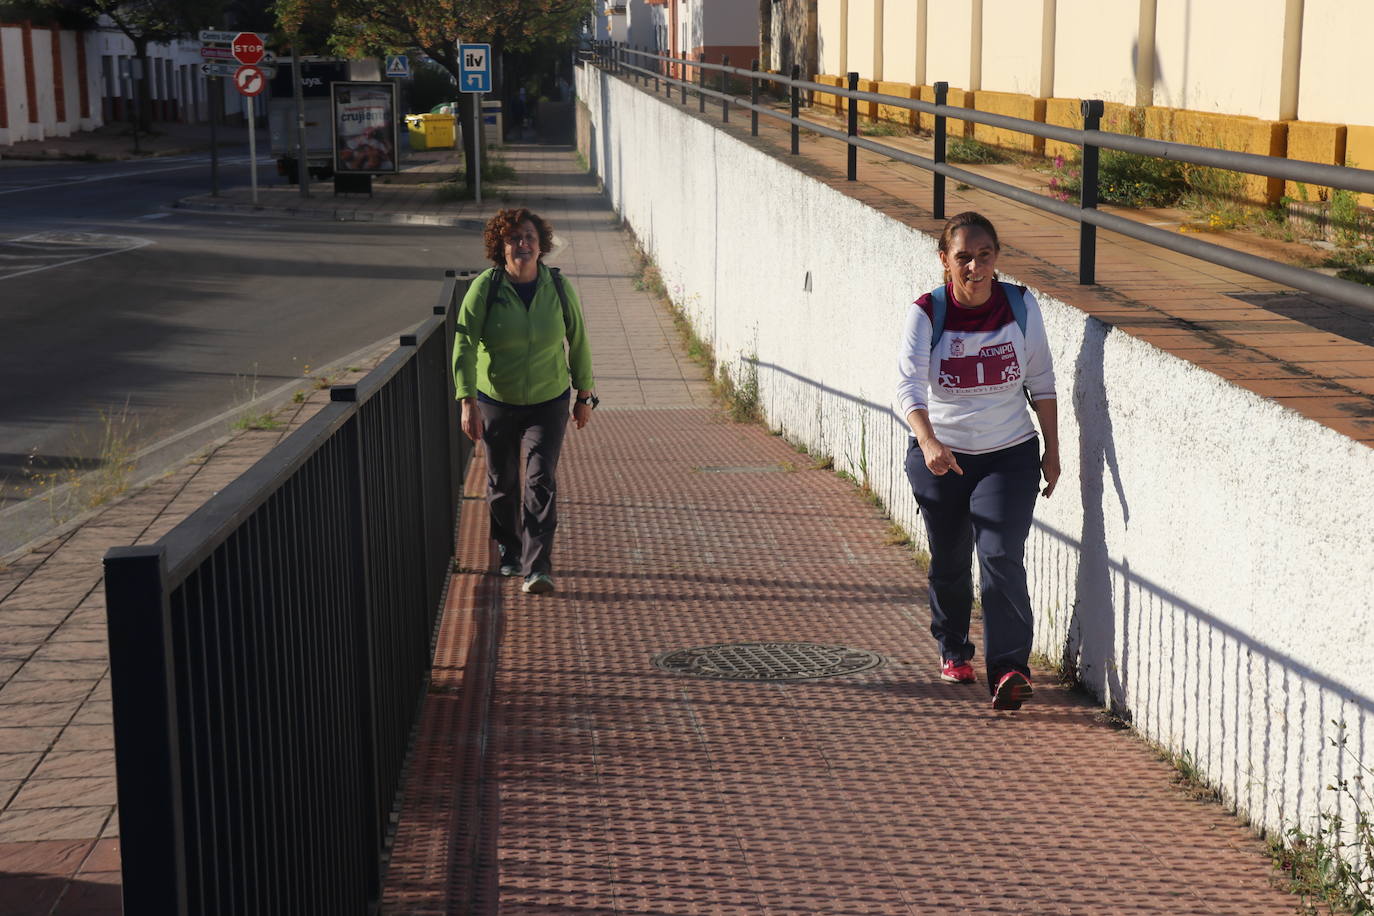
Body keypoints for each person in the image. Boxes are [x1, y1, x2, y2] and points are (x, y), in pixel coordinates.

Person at [895, 211, 1060, 710]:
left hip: (1008, 454)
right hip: (941, 458)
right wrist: (928, 442)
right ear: (944, 260)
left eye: (984, 255)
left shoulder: (1020, 305)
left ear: (996, 258)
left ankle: (1009, 667)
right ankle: (953, 646)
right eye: (963, 257)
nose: (974, 267)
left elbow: (1044, 382)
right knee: (950, 559)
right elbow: (907, 388)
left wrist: (1053, 450)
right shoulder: (927, 312)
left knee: (1000, 555)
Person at [453, 208, 597, 595]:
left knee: (540, 479)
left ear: (541, 244)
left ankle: (538, 567)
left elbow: (578, 338)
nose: (523, 244)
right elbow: (464, 345)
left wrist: (584, 394)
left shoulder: (557, 285)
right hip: (496, 398)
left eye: (529, 237)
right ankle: (510, 551)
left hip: (548, 400)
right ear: (500, 247)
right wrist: (467, 400)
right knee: (503, 482)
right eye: (514, 238)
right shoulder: (486, 288)